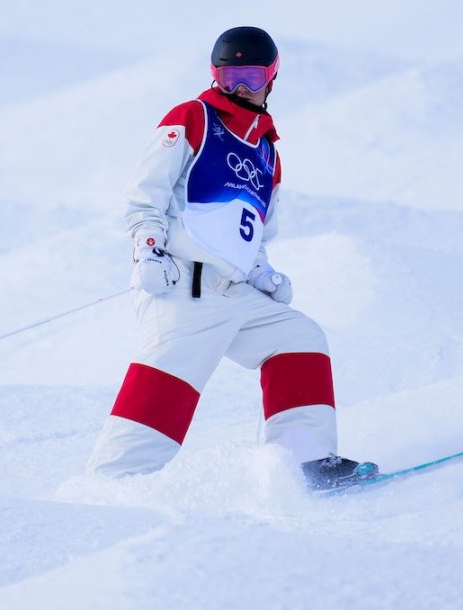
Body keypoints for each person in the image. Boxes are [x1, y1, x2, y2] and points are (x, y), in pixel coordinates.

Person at [85, 26, 375, 490]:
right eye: (230, 75)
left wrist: (261, 272)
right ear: (215, 75)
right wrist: (147, 252)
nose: (239, 86)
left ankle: (306, 465)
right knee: (165, 385)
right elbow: (146, 196)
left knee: (299, 337)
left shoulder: (267, 152)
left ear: (271, 78)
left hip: (236, 292)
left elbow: (254, 230)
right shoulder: (193, 118)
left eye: (251, 76)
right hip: (184, 287)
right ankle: (111, 486)